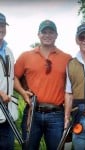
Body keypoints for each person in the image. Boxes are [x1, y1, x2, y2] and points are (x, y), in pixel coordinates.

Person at [14, 19, 71, 150]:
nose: (47, 35)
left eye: (51, 32)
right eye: (44, 32)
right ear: (38, 35)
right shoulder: (26, 56)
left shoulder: (67, 58)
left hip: (57, 115)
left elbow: (71, 88)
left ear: (56, 35)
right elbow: (14, 77)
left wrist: (68, 115)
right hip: (32, 112)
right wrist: (23, 92)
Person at [0, 12, 18, 150]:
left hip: (8, 113)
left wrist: (24, 91)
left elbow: (13, 77)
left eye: (3, 25)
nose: (1, 28)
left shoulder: (9, 51)